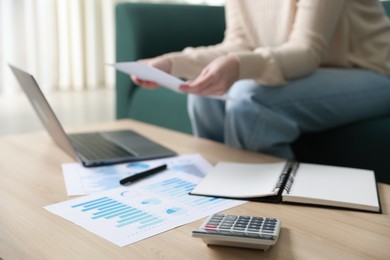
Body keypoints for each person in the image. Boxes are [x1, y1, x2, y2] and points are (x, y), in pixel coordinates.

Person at [131, 0, 390, 159]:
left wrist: (239, 65)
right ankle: (219, 196)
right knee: (206, 97)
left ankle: (273, 208)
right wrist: (172, 63)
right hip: (310, 72)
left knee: (251, 100)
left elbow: (307, 50)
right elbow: (237, 44)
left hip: (373, 71)